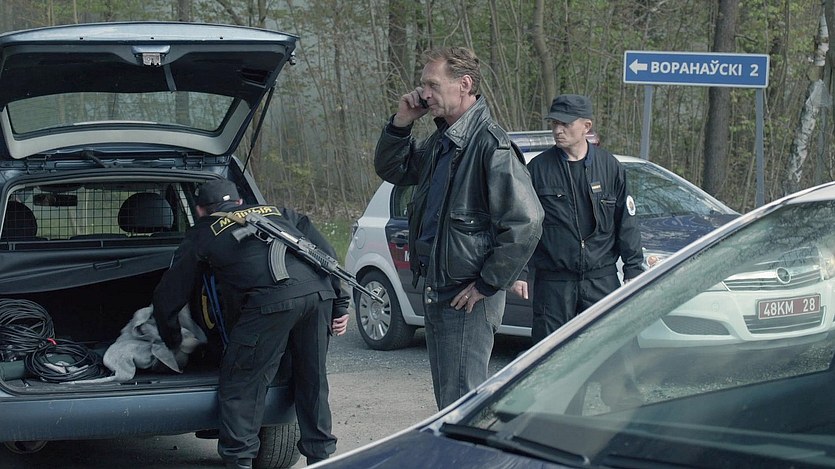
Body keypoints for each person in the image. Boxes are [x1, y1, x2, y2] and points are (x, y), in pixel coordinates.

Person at [374, 46, 543, 410]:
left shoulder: (489, 144)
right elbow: (394, 170)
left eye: (432, 85)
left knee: (462, 403)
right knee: (450, 403)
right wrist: (401, 123)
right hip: (439, 287)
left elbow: (526, 220)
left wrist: (487, 283)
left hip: (467, 296)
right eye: (423, 85)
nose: (424, 94)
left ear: (464, 85)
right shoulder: (444, 141)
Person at [150, 179, 350, 469]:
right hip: (318, 295)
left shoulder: (203, 232)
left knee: (243, 384)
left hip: (269, 303)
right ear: (241, 202)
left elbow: (170, 294)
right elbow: (325, 254)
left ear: (200, 210)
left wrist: (172, 341)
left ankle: (240, 461)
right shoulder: (279, 212)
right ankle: (320, 459)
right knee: (312, 379)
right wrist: (340, 305)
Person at [525, 94, 644, 343]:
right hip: (554, 282)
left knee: (608, 350)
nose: (557, 130)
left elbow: (626, 222)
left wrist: (633, 269)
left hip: (601, 279)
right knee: (550, 355)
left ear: (586, 126)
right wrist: (519, 272)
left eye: (565, 124)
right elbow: (524, 225)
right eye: (554, 123)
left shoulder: (610, 166)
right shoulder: (538, 169)